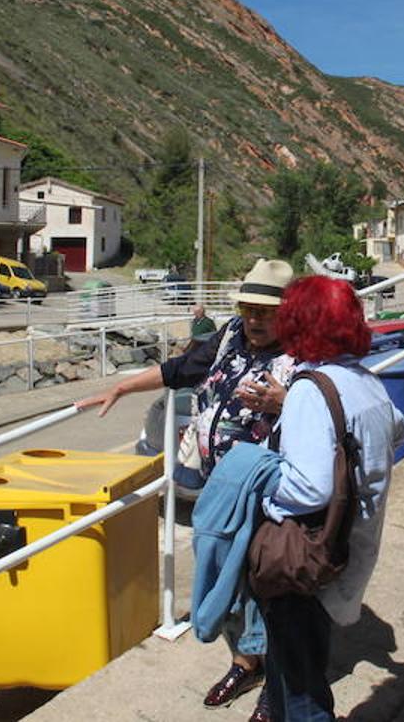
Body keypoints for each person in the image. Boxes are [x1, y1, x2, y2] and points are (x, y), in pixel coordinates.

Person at [79, 258, 296, 721]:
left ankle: (275, 683)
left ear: (288, 312)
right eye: (249, 308)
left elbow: (326, 407)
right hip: (219, 488)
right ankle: (244, 661)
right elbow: (180, 370)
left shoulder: (304, 352)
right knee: (225, 580)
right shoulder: (230, 336)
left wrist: (285, 401)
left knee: (267, 584)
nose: (255, 319)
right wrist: (122, 387)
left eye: (266, 311)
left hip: (264, 491)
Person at [261, 276, 404, 720]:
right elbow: (398, 428)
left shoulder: (309, 390)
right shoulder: (365, 381)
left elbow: (308, 487)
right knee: (297, 663)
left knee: (303, 686)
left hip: (308, 557)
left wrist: (259, 486)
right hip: (349, 546)